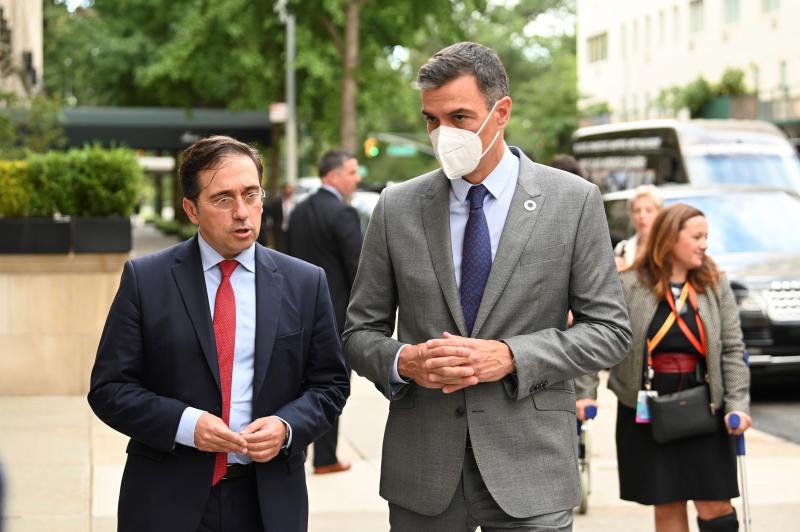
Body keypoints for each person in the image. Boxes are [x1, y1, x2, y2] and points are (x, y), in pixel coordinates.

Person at [342, 42, 632, 532]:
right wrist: (404, 362)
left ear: (501, 113)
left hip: (531, 465)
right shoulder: (396, 207)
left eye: (458, 116)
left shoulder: (574, 201)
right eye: (431, 120)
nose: (442, 134)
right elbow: (357, 334)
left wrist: (511, 356)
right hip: (424, 468)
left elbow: (610, 330)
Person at [87, 135, 350, 532]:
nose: (242, 212)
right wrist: (186, 425)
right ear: (191, 209)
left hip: (269, 502)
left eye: (251, 194)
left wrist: (285, 427)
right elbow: (109, 389)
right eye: (223, 199)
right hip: (166, 499)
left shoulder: (306, 282)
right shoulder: (147, 280)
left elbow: (330, 385)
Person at [575, 203, 751, 532]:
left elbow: (732, 349)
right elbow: (597, 338)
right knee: (666, 503)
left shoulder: (715, 284)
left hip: (706, 406)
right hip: (646, 409)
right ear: (670, 239)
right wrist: (585, 393)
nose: (704, 244)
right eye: (697, 236)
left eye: (706, 237)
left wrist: (737, 404)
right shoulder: (629, 284)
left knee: (716, 505)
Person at [288, 150, 363, 474]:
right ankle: (326, 457)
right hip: (335, 313)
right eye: (350, 171)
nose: (356, 178)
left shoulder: (300, 211)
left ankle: (296, 449)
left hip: (298, 310)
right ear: (332, 176)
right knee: (332, 383)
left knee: (300, 384)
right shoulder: (343, 214)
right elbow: (357, 268)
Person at [614, 184, 664, 269]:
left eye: (648, 210)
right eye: (637, 210)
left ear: (660, 213)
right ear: (631, 215)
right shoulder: (622, 248)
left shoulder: (668, 246)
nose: (642, 215)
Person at [262, 183, 295, 252]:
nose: (288, 191)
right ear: (283, 191)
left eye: (289, 189)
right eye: (286, 189)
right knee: (280, 249)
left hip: (291, 231)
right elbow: (272, 216)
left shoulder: (294, 203)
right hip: (279, 231)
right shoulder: (277, 202)